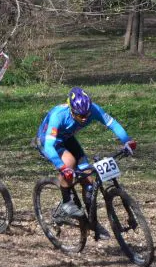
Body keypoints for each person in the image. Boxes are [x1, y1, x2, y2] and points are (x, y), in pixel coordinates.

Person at [36, 87, 136, 235]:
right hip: (48, 141)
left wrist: (127, 141)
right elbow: (50, 146)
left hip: (67, 139)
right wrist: (63, 167)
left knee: (88, 177)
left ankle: (92, 223)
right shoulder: (59, 115)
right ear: (71, 110)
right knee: (69, 162)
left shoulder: (93, 109)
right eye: (79, 115)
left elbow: (113, 124)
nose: (84, 118)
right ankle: (66, 203)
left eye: (86, 114)